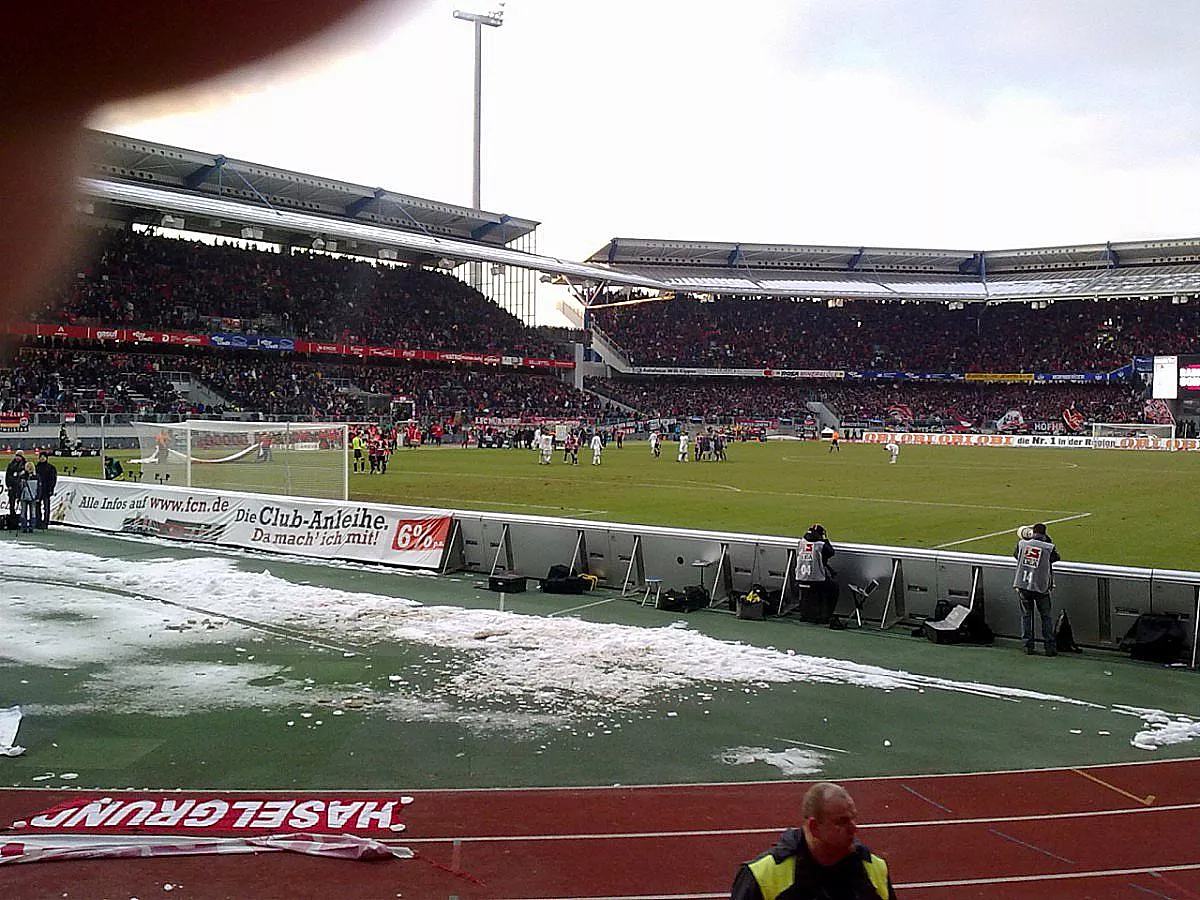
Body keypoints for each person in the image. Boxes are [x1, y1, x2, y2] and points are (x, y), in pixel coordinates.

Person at [730, 781, 896, 900]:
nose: (854, 828)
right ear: (814, 827)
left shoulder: (874, 869)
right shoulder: (761, 876)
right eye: (842, 822)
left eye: (853, 819)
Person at [1013, 523, 1061, 656]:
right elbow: (1056, 558)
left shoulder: (1022, 544)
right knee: (1046, 617)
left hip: (1023, 585)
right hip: (1041, 587)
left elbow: (1016, 555)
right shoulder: (1048, 547)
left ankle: (1027, 646)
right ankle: (1049, 647)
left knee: (1026, 616)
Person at [793, 524, 840, 623]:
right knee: (834, 588)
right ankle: (825, 616)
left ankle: (806, 614)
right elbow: (831, 552)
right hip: (816, 580)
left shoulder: (801, 543)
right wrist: (826, 540)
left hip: (800, 579)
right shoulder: (821, 545)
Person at [35, 450, 57, 529]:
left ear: (46, 458)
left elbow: (53, 480)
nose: (42, 458)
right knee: (37, 506)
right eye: (40, 457)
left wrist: (51, 489)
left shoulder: (51, 468)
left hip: (46, 490)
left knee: (46, 507)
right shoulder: (36, 467)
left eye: (43, 457)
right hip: (38, 490)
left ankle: (46, 522)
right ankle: (38, 521)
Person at [17, 460, 40, 534]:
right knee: (32, 512)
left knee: (24, 511)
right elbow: (39, 488)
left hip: (24, 496)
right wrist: (38, 497)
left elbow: (19, 486)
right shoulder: (36, 476)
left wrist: (18, 496)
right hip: (33, 496)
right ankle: (31, 527)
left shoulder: (23, 476)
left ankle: (24, 526)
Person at [5, 449, 26, 522]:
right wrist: (8, 485)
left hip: (20, 487)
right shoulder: (11, 464)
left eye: (19, 456)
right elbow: (7, 476)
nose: (17, 457)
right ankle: (12, 518)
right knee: (12, 503)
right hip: (12, 487)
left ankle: (23, 519)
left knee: (23, 504)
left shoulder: (24, 465)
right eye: (17, 456)